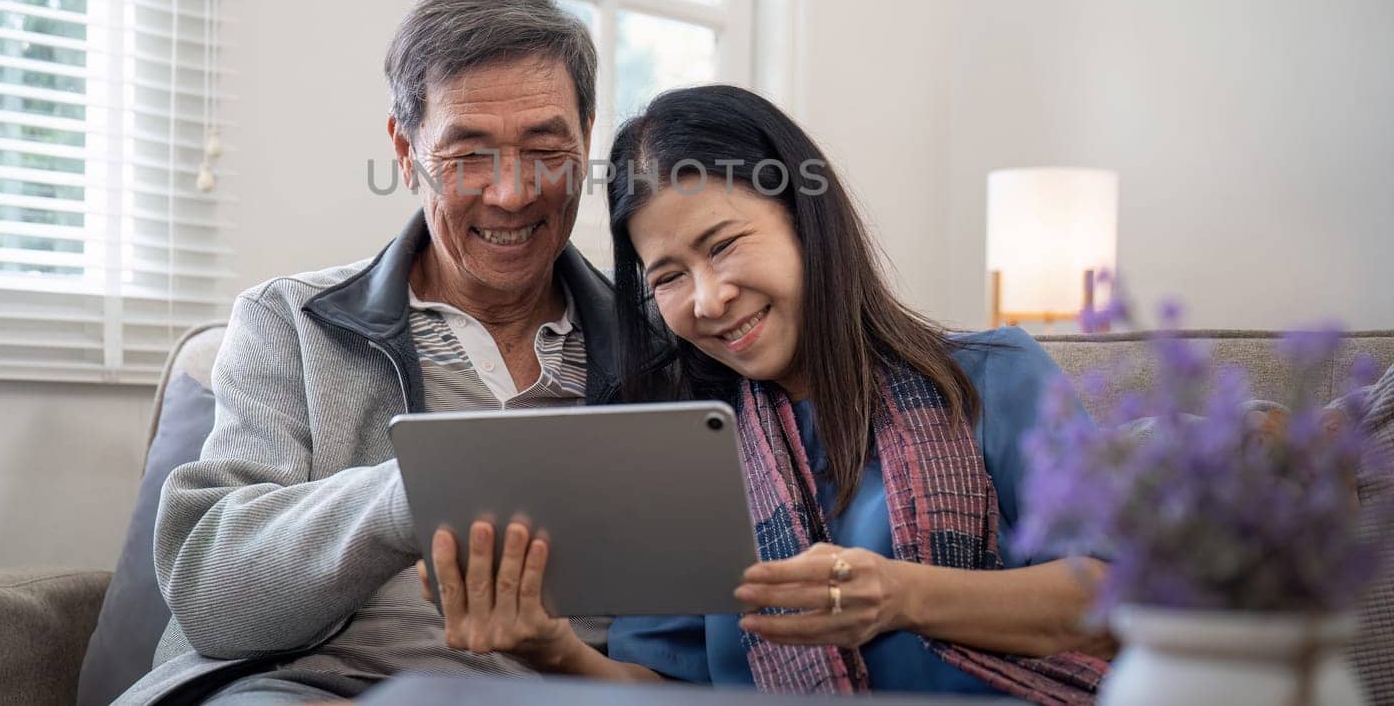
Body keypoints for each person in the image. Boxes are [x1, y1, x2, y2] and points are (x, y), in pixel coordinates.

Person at [422, 84, 1113, 701]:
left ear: (803, 219)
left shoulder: (995, 377)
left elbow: (1123, 602)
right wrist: (552, 650)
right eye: (668, 277)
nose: (709, 298)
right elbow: (660, 687)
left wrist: (903, 595)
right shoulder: (682, 453)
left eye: (722, 245)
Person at [116, 0, 618, 705]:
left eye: (545, 146)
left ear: (586, 137)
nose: (512, 192)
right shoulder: (291, 321)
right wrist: (416, 489)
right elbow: (213, 590)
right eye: (469, 153)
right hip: (311, 688)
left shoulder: (662, 343)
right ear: (406, 148)